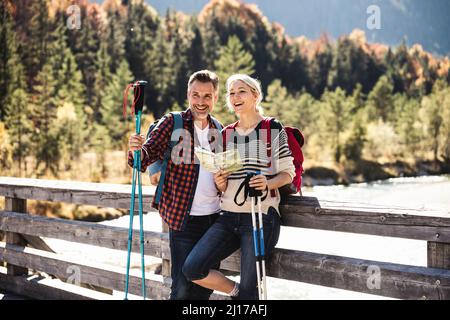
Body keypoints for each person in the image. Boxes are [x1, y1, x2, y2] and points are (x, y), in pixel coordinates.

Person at [182, 74, 295, 300]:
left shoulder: (271, 128)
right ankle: (237, 293)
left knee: (251, 290)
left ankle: (245, 295)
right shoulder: (227, 134)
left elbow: (288, 173)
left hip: (261, 217)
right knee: (192, 268)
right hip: (228, 217)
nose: (235, 97)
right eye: (231, 93)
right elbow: (224, 182)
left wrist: (267, 182)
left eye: (241, 91)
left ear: (255, 95)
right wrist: (220, 182)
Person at [127, 70, 223, 300]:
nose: (201, 102)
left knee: (204, 288)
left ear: (216, 98)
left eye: (207, 96)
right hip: (183, 219)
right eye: (196, 95)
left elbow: (224, 173)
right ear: (188, 94)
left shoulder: (219, 130)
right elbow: (144, 157)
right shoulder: (173, 122)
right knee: (181, 287)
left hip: (215, 220)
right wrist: (135, 150)